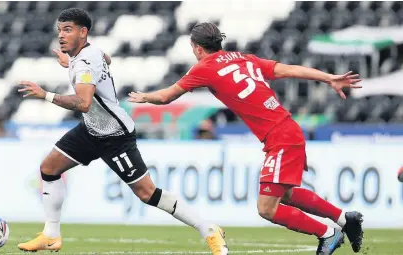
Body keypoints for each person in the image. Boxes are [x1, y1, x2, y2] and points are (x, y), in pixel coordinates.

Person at [128, 22, 364, 255]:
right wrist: (328, 77)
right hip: (287, 130)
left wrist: (144, 96)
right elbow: (288, 69)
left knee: (266, 208)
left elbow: (166, 96)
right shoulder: (243, 58)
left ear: (197, 48)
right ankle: (344, 218)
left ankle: (327, 234)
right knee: (286, 195)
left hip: (281, 137)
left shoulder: (204, 68)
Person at [16, 9, 228, 255]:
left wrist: (46, 95)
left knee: (147, 193)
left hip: (116, 136)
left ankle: (208, 229)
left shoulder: (85, 60)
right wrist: (70, 63)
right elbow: (107, 59)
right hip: (91, 129)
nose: (61, 35)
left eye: (68, 29)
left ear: (83, 32)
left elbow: (84, 103)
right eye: (60, 30)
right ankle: (51, 235)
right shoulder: (89, 53)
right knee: (49, 169)